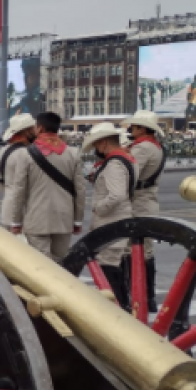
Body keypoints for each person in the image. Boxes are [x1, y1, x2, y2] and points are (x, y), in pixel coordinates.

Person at [3, 112, 85, 262]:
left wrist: (16, 221)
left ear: (39, 128)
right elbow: (80, 190)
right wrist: (77, 221)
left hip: (37, 220)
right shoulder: (73, 154)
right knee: (61, 263)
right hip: (64, 219)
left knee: (42, 265)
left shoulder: (26, 154)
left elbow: (19, 190)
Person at [82, 122, 137, 308]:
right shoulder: (125, 159)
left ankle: (117, 307)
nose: (96, 149)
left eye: (97, 145)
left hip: (111, 220)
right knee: (115, 266)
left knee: (108, 267)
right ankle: (123, 305)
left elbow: (117, 195)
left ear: (104, 143)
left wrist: (99, 208)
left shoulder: (114, 164)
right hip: (118, 218)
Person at [122, 110, 166, 314]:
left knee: (131, 249)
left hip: (138, 200)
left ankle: (135, 294)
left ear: (143, 128)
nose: (131, 129)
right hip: (148, 199)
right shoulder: (155, 147)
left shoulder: (142, 149)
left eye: (134, 126)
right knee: (146, 250)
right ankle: (149, 296)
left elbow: (128, 173)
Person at [0, 114, 37, 226]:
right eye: (34, 129)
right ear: (26, 131)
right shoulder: (26, 153)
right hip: (23, 212)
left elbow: (0, 181)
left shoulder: (3, 150)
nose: (36, 131)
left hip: (8, 208)